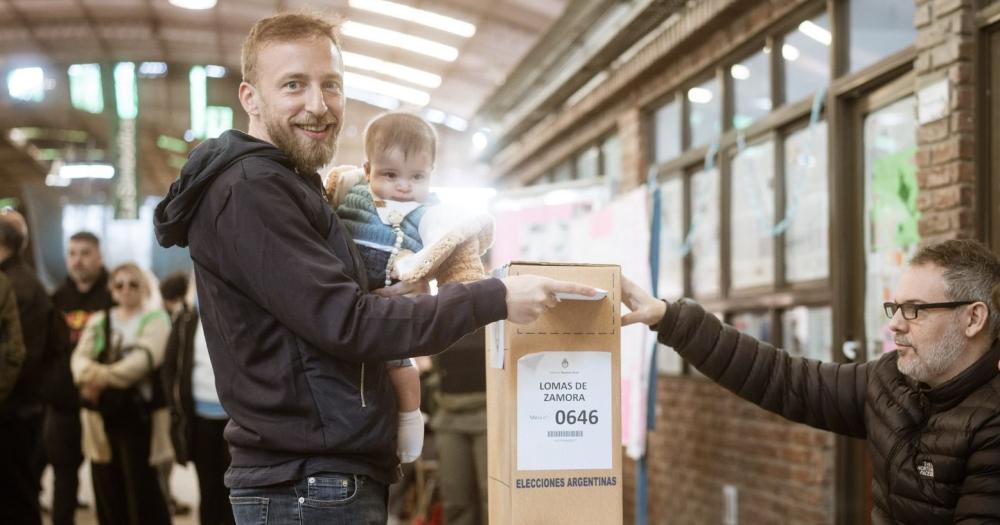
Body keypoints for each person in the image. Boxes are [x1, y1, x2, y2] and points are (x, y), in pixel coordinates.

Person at [153, 11, 592, 524]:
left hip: (319, 477)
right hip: (306, 485)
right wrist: (494, 297)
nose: (318, 106)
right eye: (294, 85)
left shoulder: (287, 184)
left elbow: (326, 320)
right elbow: (348, 323)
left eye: (331, 85)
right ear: (250, 97)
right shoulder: (253, 191)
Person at [621, 238, 1000, 524]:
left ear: (972, 319)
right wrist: (670, 320)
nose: (896, 324)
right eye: (895, 307)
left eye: (914, 310)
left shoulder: (992, 425)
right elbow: (782, 378)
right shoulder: (891, 381)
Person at [325, 111, 494, 467]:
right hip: (349, 306)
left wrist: (459, 289)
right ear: (368, 170)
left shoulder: (432, 214)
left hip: (391, 314)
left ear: (431, 174)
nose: (404, 186)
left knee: (404, 373)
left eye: (417, 176)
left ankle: (410, 419)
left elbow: (457, 262)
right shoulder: (348, 195)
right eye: (390, 175)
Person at [71, 263, 173, 525]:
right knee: (107, 490)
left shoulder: (156, 319)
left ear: (144, 288)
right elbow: (78, 362)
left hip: (140, 420)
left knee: (143, 492)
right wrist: (94, 374)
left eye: (133, 284)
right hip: (100, 418)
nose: (126, 289)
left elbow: (139, 364)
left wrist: (98, 377)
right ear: (112, 290)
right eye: (119, 284)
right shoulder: (99, 320)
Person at [160, 272, 235, 525]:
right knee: (208, 485)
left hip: (234, 419)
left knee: (235, 489)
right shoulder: (187, 320)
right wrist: (175, 408)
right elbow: (170, 366)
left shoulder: (237, 316)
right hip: (200, 418)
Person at [49, 231, 113, 525]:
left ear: (99, 257)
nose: (78, 260)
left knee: (107, 479)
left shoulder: (114, 295)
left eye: (85, 253)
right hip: (63, 404)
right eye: (73, 253)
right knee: (63, 478)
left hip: (106, 402)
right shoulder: (56, 299)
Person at [0, 210, 56, 525]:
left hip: (13, 413)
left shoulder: (13, 286)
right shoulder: (27, 281)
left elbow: (14, 356)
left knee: (16, 500)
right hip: (24, 409)